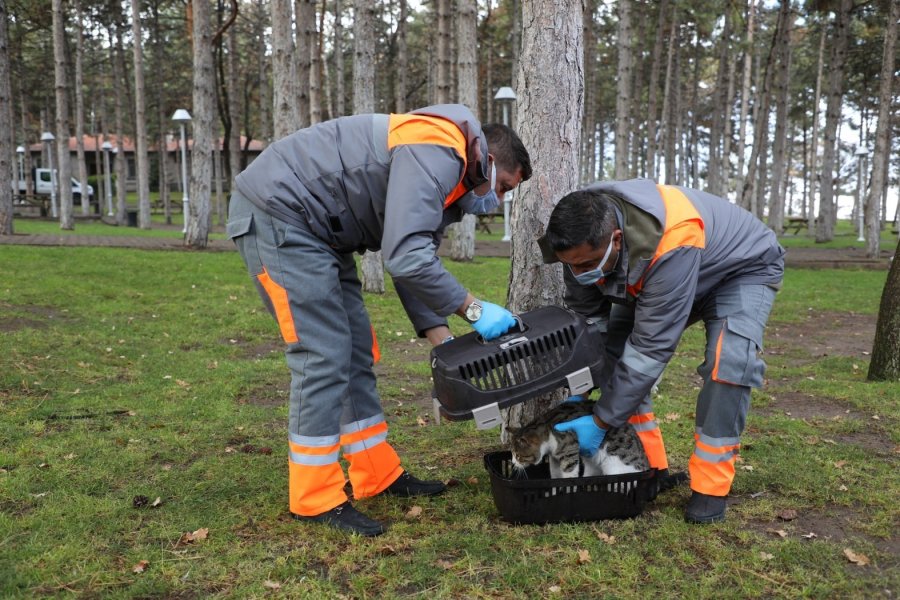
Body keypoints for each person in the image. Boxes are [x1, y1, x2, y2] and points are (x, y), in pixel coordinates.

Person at [226, 104, 532, 536]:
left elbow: (411, 258)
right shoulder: (439, 152)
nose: (496, 202)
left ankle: (375, 472)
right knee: (323, 354)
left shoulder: (449, 177)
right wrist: (474, 310)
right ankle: (314, 497)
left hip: (320, 232)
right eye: (501, 188)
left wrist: (443, 342)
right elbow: (408, 258)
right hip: (280, 214)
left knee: (353, 350)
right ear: (490, 159)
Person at [538, 179, 784, 524]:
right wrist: (582, 385)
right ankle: (649, 469)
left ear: (617, 240)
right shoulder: (579, 233)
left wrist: (601, 420)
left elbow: (650, 349)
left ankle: (710, 486)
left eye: (586, 265)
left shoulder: (673, 238)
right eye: (571, 266)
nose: (579, 274)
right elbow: (591, 325)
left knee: (728, 363)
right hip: (660, 275)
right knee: (617, 356)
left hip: (739, 270)